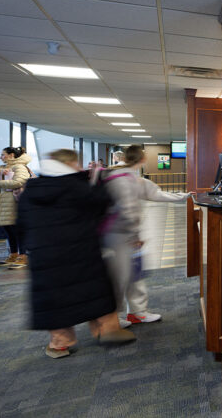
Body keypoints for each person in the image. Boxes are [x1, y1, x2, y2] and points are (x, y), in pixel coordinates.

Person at [18, 149, 135, 358]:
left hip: (44, 254)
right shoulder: (76, 186)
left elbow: (23, 223)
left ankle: (60, 343)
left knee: (53, 298)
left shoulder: (31, 190)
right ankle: (106, 330)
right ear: (70, 164)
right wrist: (95, 180)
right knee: (95, 289)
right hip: (79, 249)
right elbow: (102, 204)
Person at [103, 145, 192, 326]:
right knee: (121, 276)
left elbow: (154, 194)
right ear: (142, 159)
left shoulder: (118, 176)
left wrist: (184, 196)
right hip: (120, 235)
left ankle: (136, 312)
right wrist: (134, 235)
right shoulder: (125, 180)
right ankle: (114, 318)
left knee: (133, 272)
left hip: (116, 233)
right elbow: (128, 210)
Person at [0, 147, 33, 268]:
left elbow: (19, 182)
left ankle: (23, 256)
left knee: (17, 230)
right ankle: (14, 254)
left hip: (15, 203)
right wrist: (0, 173)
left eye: (3, 155)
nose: (1, 157)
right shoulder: (5, 168)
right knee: (9, 230)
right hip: (5, 204)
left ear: (11, 155)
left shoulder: (19, 167)